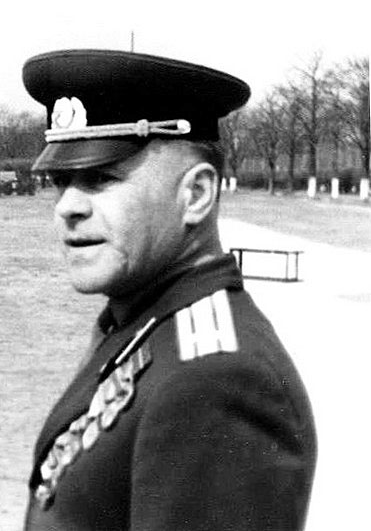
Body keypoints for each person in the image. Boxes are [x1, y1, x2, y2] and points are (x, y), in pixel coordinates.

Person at [21, 49, 316, 530]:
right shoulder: (144, 323)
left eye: (100, 178)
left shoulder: (215, 380)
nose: (67, 206)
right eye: (61, 180)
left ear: (196, 194)